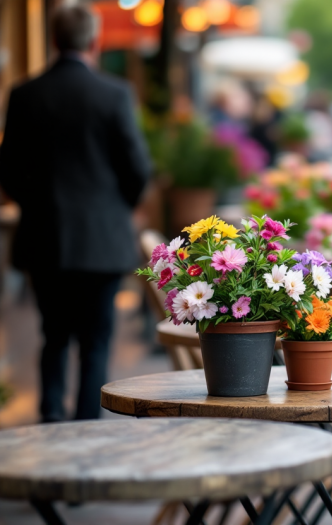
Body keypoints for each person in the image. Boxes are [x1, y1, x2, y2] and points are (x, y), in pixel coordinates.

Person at [0, 6, 151, 421]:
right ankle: (87, 429)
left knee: (53, 336)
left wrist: (37, 204)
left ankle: (50, 421)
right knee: (96, 340)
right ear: (94, 41)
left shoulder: (25, 93)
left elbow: (8, 170)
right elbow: (138, 168)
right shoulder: (114, 93)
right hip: (102, 238)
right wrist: (116, 206)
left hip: (44, 235)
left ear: (53, 40)